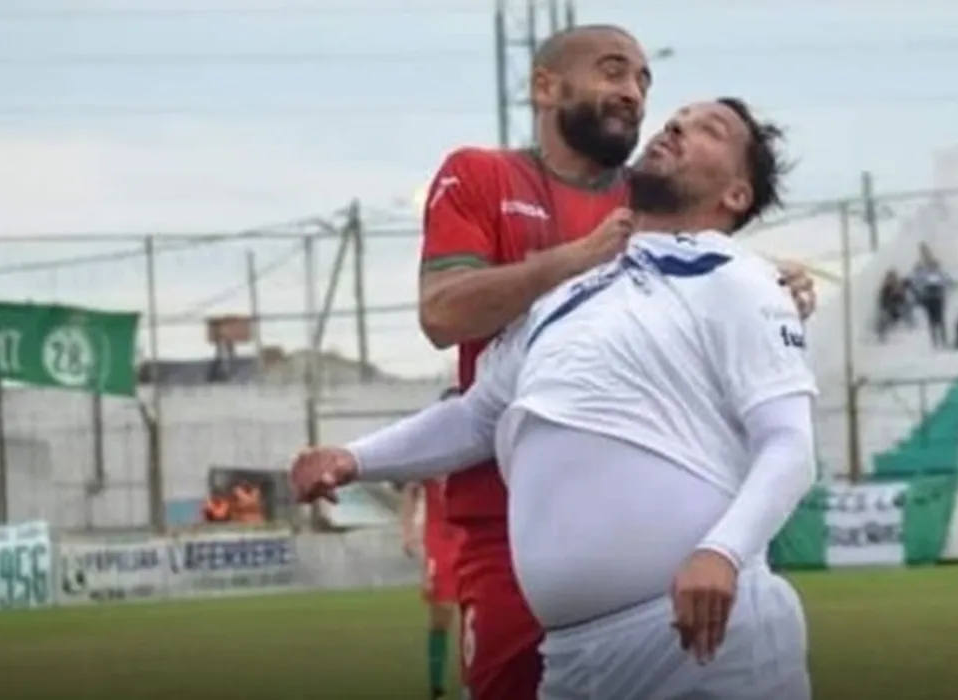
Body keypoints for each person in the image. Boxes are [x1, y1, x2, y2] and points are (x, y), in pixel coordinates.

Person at [295, 98, 816, 699]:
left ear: (735, 195)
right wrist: (353, 458)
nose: (677, 124)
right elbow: (473, 417)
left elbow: (790, 445)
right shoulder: (566, 296)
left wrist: (722, 552)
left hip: (702, 646)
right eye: (679, 116)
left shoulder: (738, 279)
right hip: (572, 661)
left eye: (710, 130)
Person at [398, 387, 465, 699]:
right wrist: (408, 531)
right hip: (439, 539)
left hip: (471, 535)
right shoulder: (430, 452)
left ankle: (474, 677)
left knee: (478, 610)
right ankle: (436, 683)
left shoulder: (479, 445)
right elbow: (410, 491)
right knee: (442, 612)